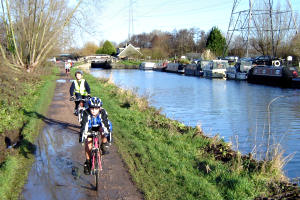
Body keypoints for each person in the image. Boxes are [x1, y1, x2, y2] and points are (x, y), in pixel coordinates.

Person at [80, 97, 112, 175]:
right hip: (90, 127)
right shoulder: (85, 113)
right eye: (92, 108)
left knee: (104, 131)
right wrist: (82, 137)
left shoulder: (103, 112)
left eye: (96, 108)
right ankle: (87, 162)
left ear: (100, 108)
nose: (94, 110)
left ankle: (104, 145)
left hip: (100, 126)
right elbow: (84, 126)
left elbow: (105, 124)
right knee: (88, 145)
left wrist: (108, 136)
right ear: (89, 107)